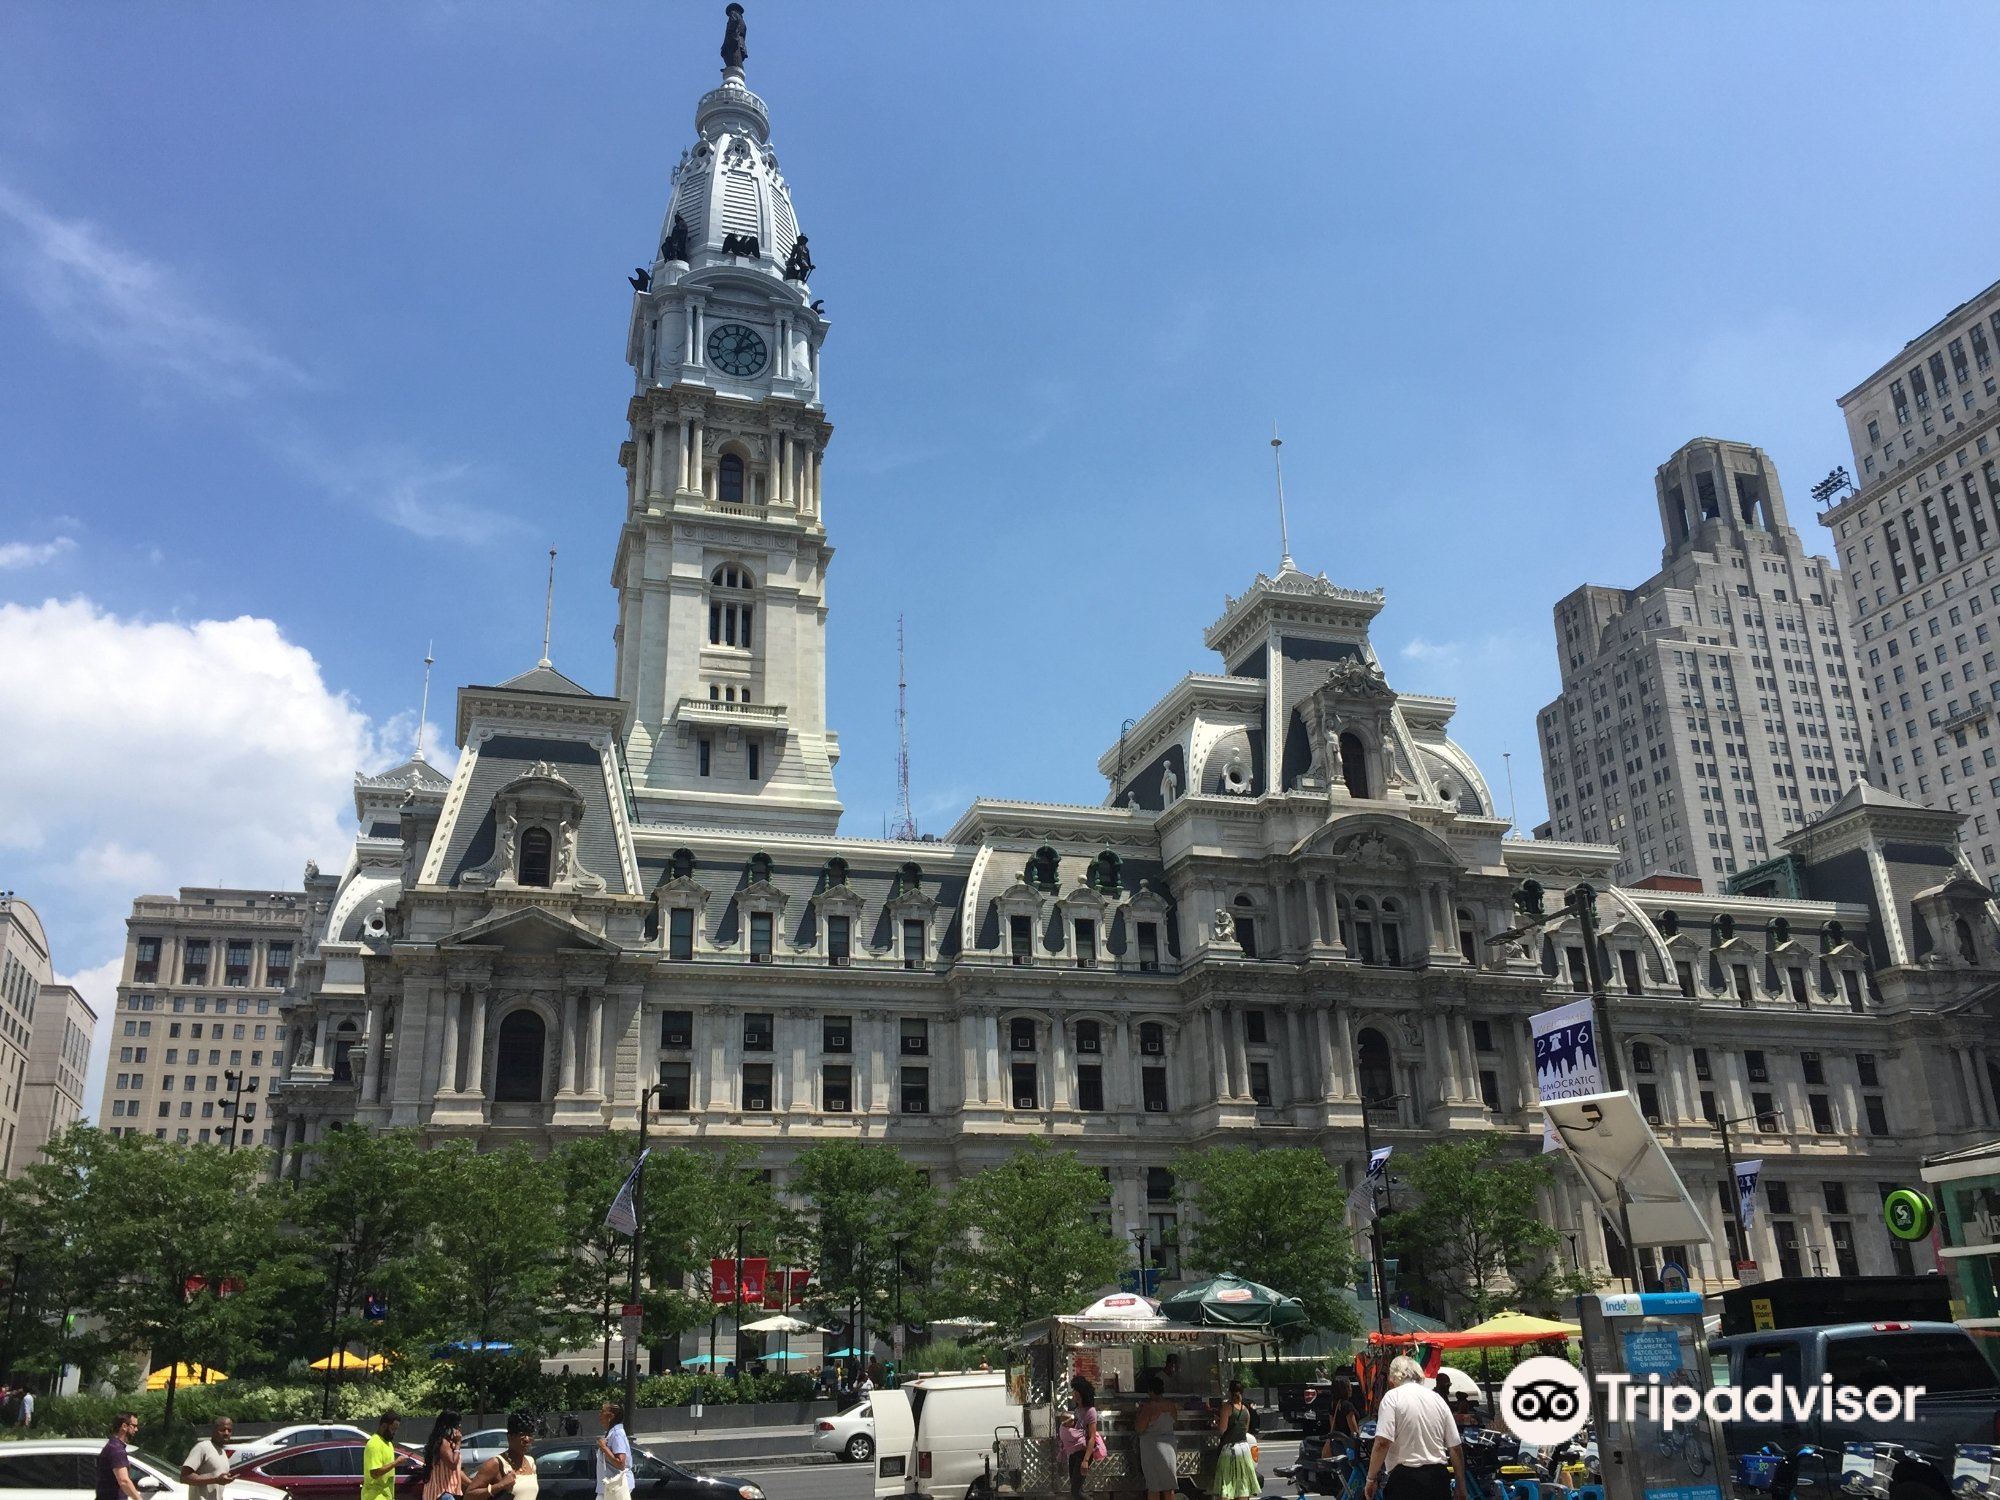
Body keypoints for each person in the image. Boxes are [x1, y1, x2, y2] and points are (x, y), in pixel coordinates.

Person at [1364, 1355, 1469, 1500]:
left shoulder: (1392, 1397)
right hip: (1438, 1478)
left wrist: (1370, 1479)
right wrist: (1461, 1485)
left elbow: (1382, 1443)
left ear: (1392, 1378)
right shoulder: (1437, 1399)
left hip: (1405, 1479)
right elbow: (1455, 1447)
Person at [465, 1413, 538, 1500]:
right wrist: (500, 1485)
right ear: (509, 1437)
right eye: (521, 1434)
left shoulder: (531, 1462)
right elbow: (469, 1495)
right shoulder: (496, 1463)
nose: (526, 1439)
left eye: (529, 1434)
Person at [1134, 1372, 1178, 1500]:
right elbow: (1175, 1421)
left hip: (1152, 1448)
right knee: (1169, 1486)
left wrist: (1138, 1413)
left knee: (1154, 1486)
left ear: (1150, 1391)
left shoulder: (1148, 1407)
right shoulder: (1171, 1406)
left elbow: (1139, 1428)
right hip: (1169, 1446)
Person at [1056, 1376, 1102, 1500]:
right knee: (1076, 1487)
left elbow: (1092, 1437)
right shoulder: (1077, 1410)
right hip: (1074, 1453)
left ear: (1081, 1393)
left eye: (1075, 1391)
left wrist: (1086, 1460)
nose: (1073, 1394)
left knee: (1076, 1491)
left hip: (1083, 1453)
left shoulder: (1090, 1411)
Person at [1212, 1380, 1258, 1500]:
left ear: (1229, 1392)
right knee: (1242, 1486)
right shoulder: (1245, 1410)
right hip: (1244, 1451)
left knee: (1227, 1485)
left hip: (1230, 1450)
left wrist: (1216, 1422)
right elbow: (1245, 1430)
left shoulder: (1227, 1407)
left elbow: (1222, 1429)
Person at [181, 1417, 235, 1500]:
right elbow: (185, 1477)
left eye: (229, 1430)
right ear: (214, 1430)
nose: (226, 1433)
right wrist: (216, 1480)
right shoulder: (202, 1448)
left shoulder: (222, 1452)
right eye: (222, 1429)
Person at [419, 1412, 464, 1500]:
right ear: (449, 1426)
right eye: (457, 1424)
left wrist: (472, 1483)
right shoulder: (443, 1443)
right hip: (440, 1493)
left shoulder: (446, 1442)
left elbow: (456, 1472)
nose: (460, 1427)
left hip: (441, 1493)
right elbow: (453, 1464)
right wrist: (458, 1443)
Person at [98, 1413, 142, 1500]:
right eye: (134, 1426)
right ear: (124, 1426)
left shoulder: (114, 1446)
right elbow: (124, 1481)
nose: (136, 1429)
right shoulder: (116, 1450)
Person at [1322, 1371, 1363, 1461]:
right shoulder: (1347, 1406)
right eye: (1349, 1385)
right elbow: (1353, 1430)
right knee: (1354, 1470)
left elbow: (1332, 1425)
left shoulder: (1333, 1405)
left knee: (1343, 1470)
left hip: (1336, 1443)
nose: (1351, 1387)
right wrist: (1360, 1441)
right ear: (1345, 1389)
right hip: (1348, 1445)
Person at [362, 1412, 403, 1500]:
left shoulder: (388, 1444)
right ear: (384, 1426)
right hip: (375, 1496)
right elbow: (375, 1473)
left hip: (386, 1496)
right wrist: (396, 1462)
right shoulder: (374, 1444)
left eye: (396, 1429)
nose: (394, 1432)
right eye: (393, 1429)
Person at [595, 1401, 630, 1500]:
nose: (600, 1415)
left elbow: (621, 1463)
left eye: (602, 1412)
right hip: (609, 1487)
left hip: (615, 1486)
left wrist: (604, 1448)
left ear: (611, 1416)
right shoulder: (612, 1432)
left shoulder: (617, 1434)